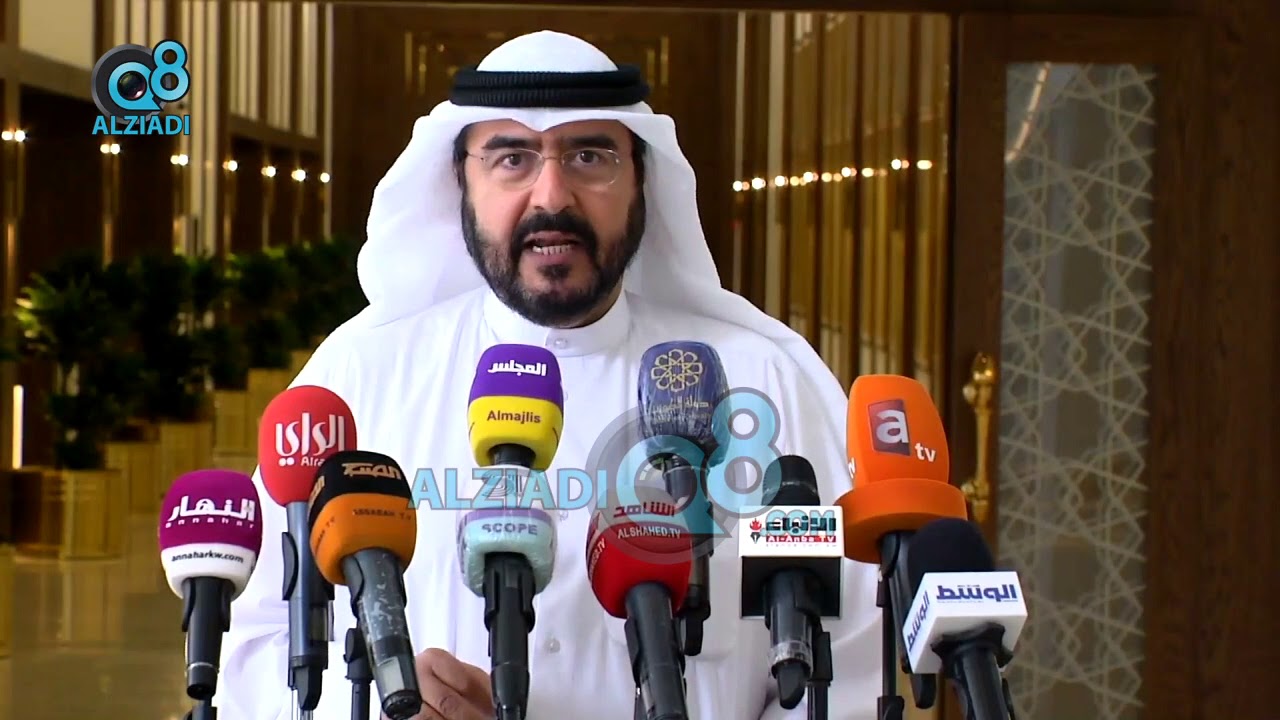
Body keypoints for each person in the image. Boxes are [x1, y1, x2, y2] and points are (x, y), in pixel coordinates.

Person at [219, 30, 881, 720]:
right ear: (461, 183)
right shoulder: (362, 375)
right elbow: (257, 638)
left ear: (641, 181)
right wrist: (385, 705)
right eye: (512, 158)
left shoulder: (762, 384)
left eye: (590, 156)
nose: (552, 196)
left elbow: (846, 659)